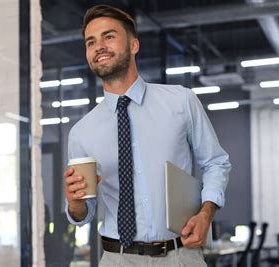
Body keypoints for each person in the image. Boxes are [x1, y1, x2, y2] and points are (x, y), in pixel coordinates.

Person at [64, 4, 231, 266]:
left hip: (180, 256)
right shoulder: (81, 133)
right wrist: (75, 205)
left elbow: (215, 162)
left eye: (109, 36)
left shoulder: (180, 102)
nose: (99, 46)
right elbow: (84, 212)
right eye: (90, 42)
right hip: (116, 259)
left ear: (134, 45)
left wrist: (205, 213)